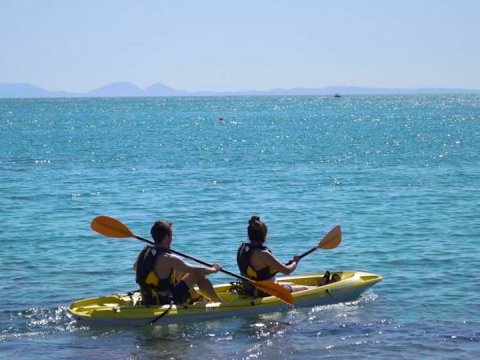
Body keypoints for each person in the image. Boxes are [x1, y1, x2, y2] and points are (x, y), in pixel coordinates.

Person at [135, 220, 223, 306]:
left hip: (148, 298)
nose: (172, 238)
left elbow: (136, 268)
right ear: (166, 238)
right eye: (172, 236)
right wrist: (214, 269)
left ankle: (195, 296)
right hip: (165, 301)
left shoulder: (145, 253)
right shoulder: (168, 258)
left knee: (179, 272)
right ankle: (220, 303)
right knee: (198, 274)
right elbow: (196, 270)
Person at [237, 216, 313, 296]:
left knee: (292, 284)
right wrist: (295, 262)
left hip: (250, 290)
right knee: (305, 289)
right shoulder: (263, 254)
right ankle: (319, 288)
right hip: (265, 292)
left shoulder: (243, 249)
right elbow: (287, 271)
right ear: (265, 235)